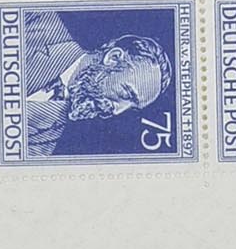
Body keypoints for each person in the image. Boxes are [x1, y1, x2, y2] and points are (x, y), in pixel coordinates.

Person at [21, 10, 172, 156]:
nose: (117, 111)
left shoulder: (47, 141)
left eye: (132, 108)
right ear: (113, 58)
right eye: (127, 94)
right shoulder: (35, 18)